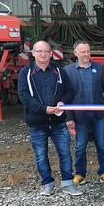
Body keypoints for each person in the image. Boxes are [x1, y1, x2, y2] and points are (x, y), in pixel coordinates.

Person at [18, 41, 82, 196]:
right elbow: (24, 96)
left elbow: (70, 91)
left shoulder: (59, 71)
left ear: (51, 53)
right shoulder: (25, 73)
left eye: (46, 51)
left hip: (58, 122)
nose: (43, 54)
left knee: (65, 153)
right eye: (39, 51)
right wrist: (43, 109)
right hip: (37, 123)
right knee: (41, 155)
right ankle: (47, 183)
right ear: (33, 53)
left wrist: (62, 103)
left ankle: (67, 183)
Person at [63, 41, 104, 186]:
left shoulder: (100, 68)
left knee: (101, 145)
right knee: (80, 146)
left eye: (88, 51)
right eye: (83, 52)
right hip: (79, 117)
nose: (86, 54)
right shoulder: (68, 71)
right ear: (75, 53)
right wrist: (69, 117)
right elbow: (66, 96)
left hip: (98, 115)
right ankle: (80, 174)